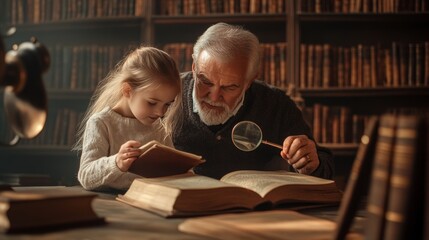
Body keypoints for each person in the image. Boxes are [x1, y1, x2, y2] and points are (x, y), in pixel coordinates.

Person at [173, 22, 334, 180]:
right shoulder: (167, 94)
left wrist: (310, 164)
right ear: (194, 67)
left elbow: (324, 168)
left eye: (229, 87)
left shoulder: (275, 105)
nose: (214, 97)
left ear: (250, 81)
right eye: (205, 81)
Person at [74, 46, 182, 191]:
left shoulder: (158, 127)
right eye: (152, 103)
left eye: (167, 104)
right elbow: (86, 176)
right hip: (110, 204)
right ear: (127, 90)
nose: (160, 112)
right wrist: (116, 162)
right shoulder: (101, 123)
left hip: (150, 201)